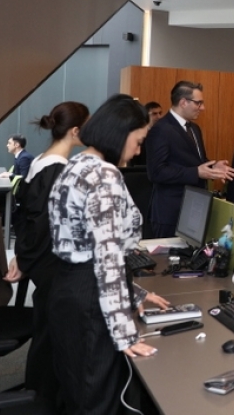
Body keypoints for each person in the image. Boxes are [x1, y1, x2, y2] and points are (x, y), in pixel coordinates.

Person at [47, 94, 170, 414]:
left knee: (78, 391)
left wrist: (134, 293)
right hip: (90, 298)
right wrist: (125, 335)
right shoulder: (105, 176)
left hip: (67, 289)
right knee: (99, 401)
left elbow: (84, 245)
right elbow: (107, 259)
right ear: (120, 133)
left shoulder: (76, 165)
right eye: (138, 141)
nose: (138, 151)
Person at [3, 102, 89, 412]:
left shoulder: (41, 160)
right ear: (76, 131)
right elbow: (44, 224)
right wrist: (25, 259)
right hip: (50, 263)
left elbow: (28, 218)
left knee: (47, 331)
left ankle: (40, 394)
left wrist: (23, 256)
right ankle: (43, 399)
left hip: (38, 259)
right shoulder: (57, 169)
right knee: (54, 335)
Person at [145, 81, 234, 237]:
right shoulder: (161, 129)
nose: (203, 108)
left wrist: (213, 167)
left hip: (193, 210)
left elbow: (196, 162)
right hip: (170, 213)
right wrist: (196, 172)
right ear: (183, 102)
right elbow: (156, 172)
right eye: (198, 103)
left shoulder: (194, 128)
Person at [127, 101, 162, 166]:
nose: (159, 117)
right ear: (146, 115)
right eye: (154, 114)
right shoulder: (138, 134)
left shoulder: (163, 133)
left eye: (160, 113)